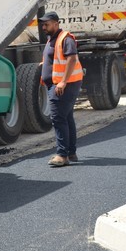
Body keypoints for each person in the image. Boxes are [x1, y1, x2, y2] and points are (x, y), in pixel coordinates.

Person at [39, 11, 83, 167]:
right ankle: (71, 152)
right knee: (67, 118)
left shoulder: (66, 38)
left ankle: (62, 155)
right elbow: (54, 59)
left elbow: (72, 59)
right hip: (57, 84)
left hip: (64, 85)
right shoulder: (52, 38)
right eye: (43, 24)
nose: (44, 27)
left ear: (56, 23)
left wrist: (63, 82)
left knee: (58, 119)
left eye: (47, 24)